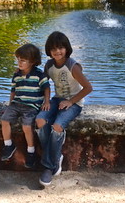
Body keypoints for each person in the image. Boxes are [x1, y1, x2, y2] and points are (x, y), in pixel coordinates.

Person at [36, 31, 93, 187]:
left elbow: (88, 87)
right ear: (49, 50)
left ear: (66, 48)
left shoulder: (72, 66)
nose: (57, 51)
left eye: (61, 47)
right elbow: (41, 83)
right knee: (40, 120)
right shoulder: (49, 65)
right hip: (57, 100)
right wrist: (21, 73)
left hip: (74, 103)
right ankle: (56, 156)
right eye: (54, 48)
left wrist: (71, 101)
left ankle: (48, 166)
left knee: (57, 126)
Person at [0, 43, 50, 168]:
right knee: (4, 120)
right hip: (17, 104)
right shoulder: (16, 75)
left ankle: (31, 151)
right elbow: (13, 90)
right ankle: (8, 145)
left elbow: (47, 88)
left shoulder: (39, 75)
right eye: (18, 60)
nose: (19, 63)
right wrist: (10, 104)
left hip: (32, 106)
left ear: (32, 61)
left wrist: (47, 102)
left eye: (23, 60)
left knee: (27, 126)